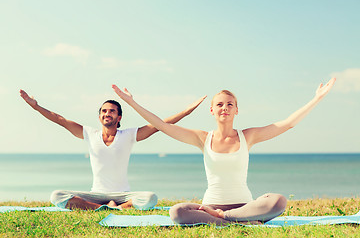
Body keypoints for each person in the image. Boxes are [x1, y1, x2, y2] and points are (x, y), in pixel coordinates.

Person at [111, 77, 336, 225]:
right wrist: (131, 102)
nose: (224, 108)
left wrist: (317, 98)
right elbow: (162, 125)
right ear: (212, 110)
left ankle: (226, 218)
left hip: (245, 206)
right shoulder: (202, 138)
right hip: (209, 206)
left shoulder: (248, 136)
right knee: (176, 212)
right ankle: (233, 220)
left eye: (229, 104)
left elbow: (287, 124)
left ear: (236, 110)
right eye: (219, 104)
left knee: (278, 201)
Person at [19, 89, 205, 210]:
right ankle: (100, 207)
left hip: (124, 195)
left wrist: (187, 110)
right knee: (56, 196)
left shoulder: (129, 135)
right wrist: (36, 107)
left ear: (119, 117)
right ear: (100, 117)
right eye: (104, 111)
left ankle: (117, 207)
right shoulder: (89, 134)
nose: (107, 113)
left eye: (112, 111)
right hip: (95, 194)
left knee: (150, 198)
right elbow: (60, 119)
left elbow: (160, 125)